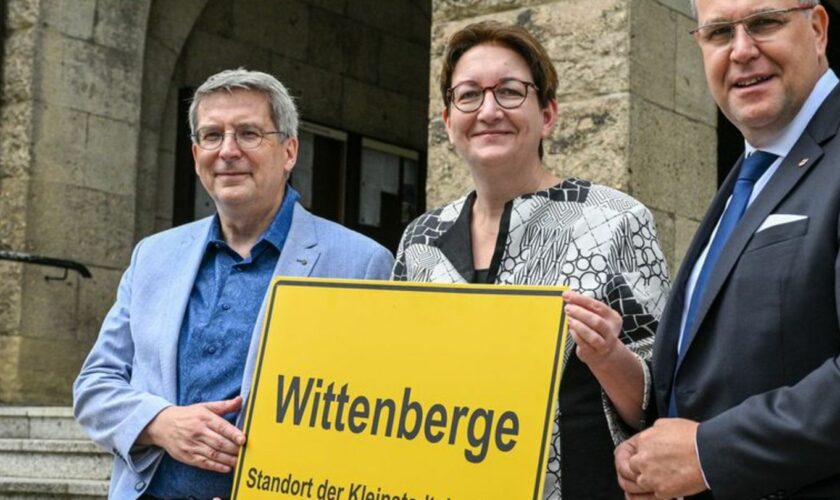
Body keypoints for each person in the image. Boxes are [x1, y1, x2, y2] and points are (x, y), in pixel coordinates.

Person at [73, 69, 394, 499]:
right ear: (195, 153)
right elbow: (95, 386)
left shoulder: (359, 262)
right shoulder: (153, 256)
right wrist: (160, 424)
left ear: (289, 151)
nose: (227, 151)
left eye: (248, 133)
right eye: (212, 135)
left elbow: (378, 419)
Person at [391, 21, 670, 499]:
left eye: (510, 91)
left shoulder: (616, 220)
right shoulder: (422, 239)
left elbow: (662, 398)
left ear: (548, 114)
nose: (489, 110)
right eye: (469, 95)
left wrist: (607, 356)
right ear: (447, 121)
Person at [615, 1, 840, 498]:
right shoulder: (750, 173)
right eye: (719, 33)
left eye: (764, 23)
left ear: (818, 29)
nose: (741, 50)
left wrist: (708, 453)